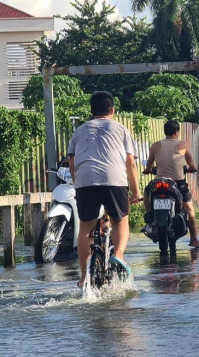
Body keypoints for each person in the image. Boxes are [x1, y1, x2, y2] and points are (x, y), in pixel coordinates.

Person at [68, 91, 141, 288]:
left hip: (85, 181)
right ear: (113, 110)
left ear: (91, 111)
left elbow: (72, 164)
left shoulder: (79, 131)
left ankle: (84, 277)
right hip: (114, 179)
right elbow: (130, 163)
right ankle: (118, 256)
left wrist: (77, 186)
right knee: (120, 220)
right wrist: (136, 191)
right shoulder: (120, 129)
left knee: (85, 228)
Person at [143, 119, 199, 249]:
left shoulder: (156, 145)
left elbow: (149, 165)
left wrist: (148, 170)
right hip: (178, 183)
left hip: (159, 182)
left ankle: (149, 214)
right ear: (177, 132)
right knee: (190, 210)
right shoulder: (182, 145)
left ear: (165, 132)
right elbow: (192, 164)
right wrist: (190, 168)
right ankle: (194, 240)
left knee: (146, 192)